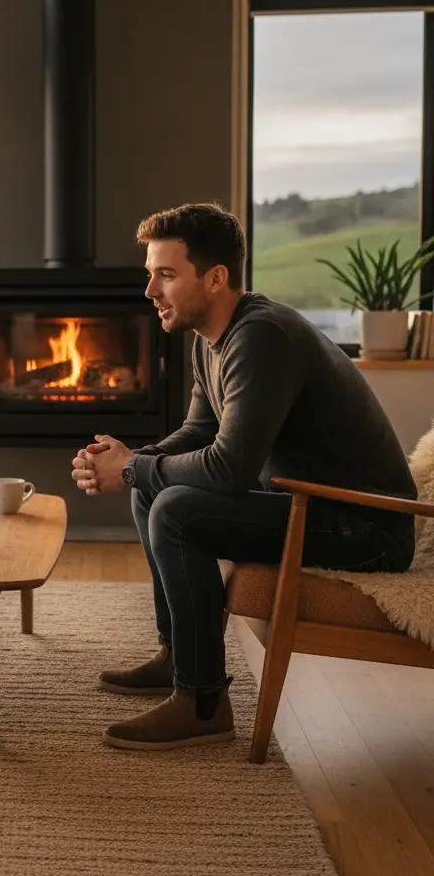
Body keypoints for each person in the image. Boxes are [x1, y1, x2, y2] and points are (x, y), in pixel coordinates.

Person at [72, 203, 416, 751]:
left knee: (174, 508)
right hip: (307, 501)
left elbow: (228, 467)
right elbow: (198, 432)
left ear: (215, 278)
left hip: (367, 528)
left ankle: (203, 703)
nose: (149, 291)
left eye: (165, 274)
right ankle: (180, 657)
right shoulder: (210, 338)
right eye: (149, 275)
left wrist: (134, 468)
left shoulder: (261, 338)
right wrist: (131, 460)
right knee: (152, 489)